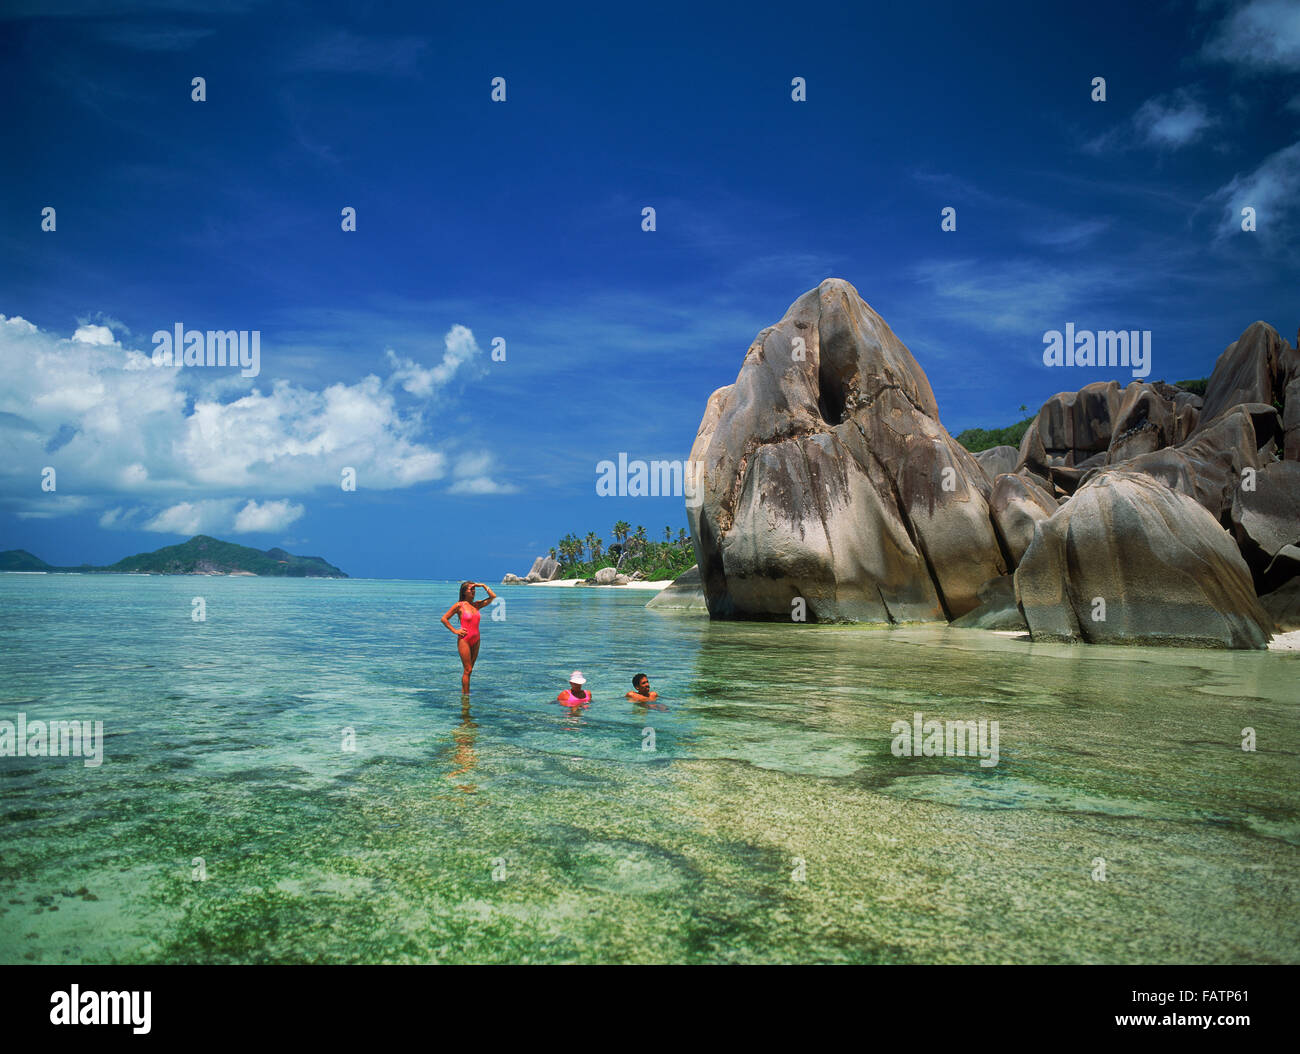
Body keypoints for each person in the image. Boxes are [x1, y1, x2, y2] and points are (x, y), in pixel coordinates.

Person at [440, 581, 496, 693]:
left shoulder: (476, 605)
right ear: (465, 592)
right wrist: (455, 630)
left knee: (470, 671)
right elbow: (444, 619)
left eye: (474, 589)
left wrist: (484, 586)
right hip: (464, 640)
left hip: (476, 639)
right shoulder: (459, 605)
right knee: (468, 669)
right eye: (471, 589)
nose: (474, 591)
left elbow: (493, 597)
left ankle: (466, 694)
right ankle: (465, 699)